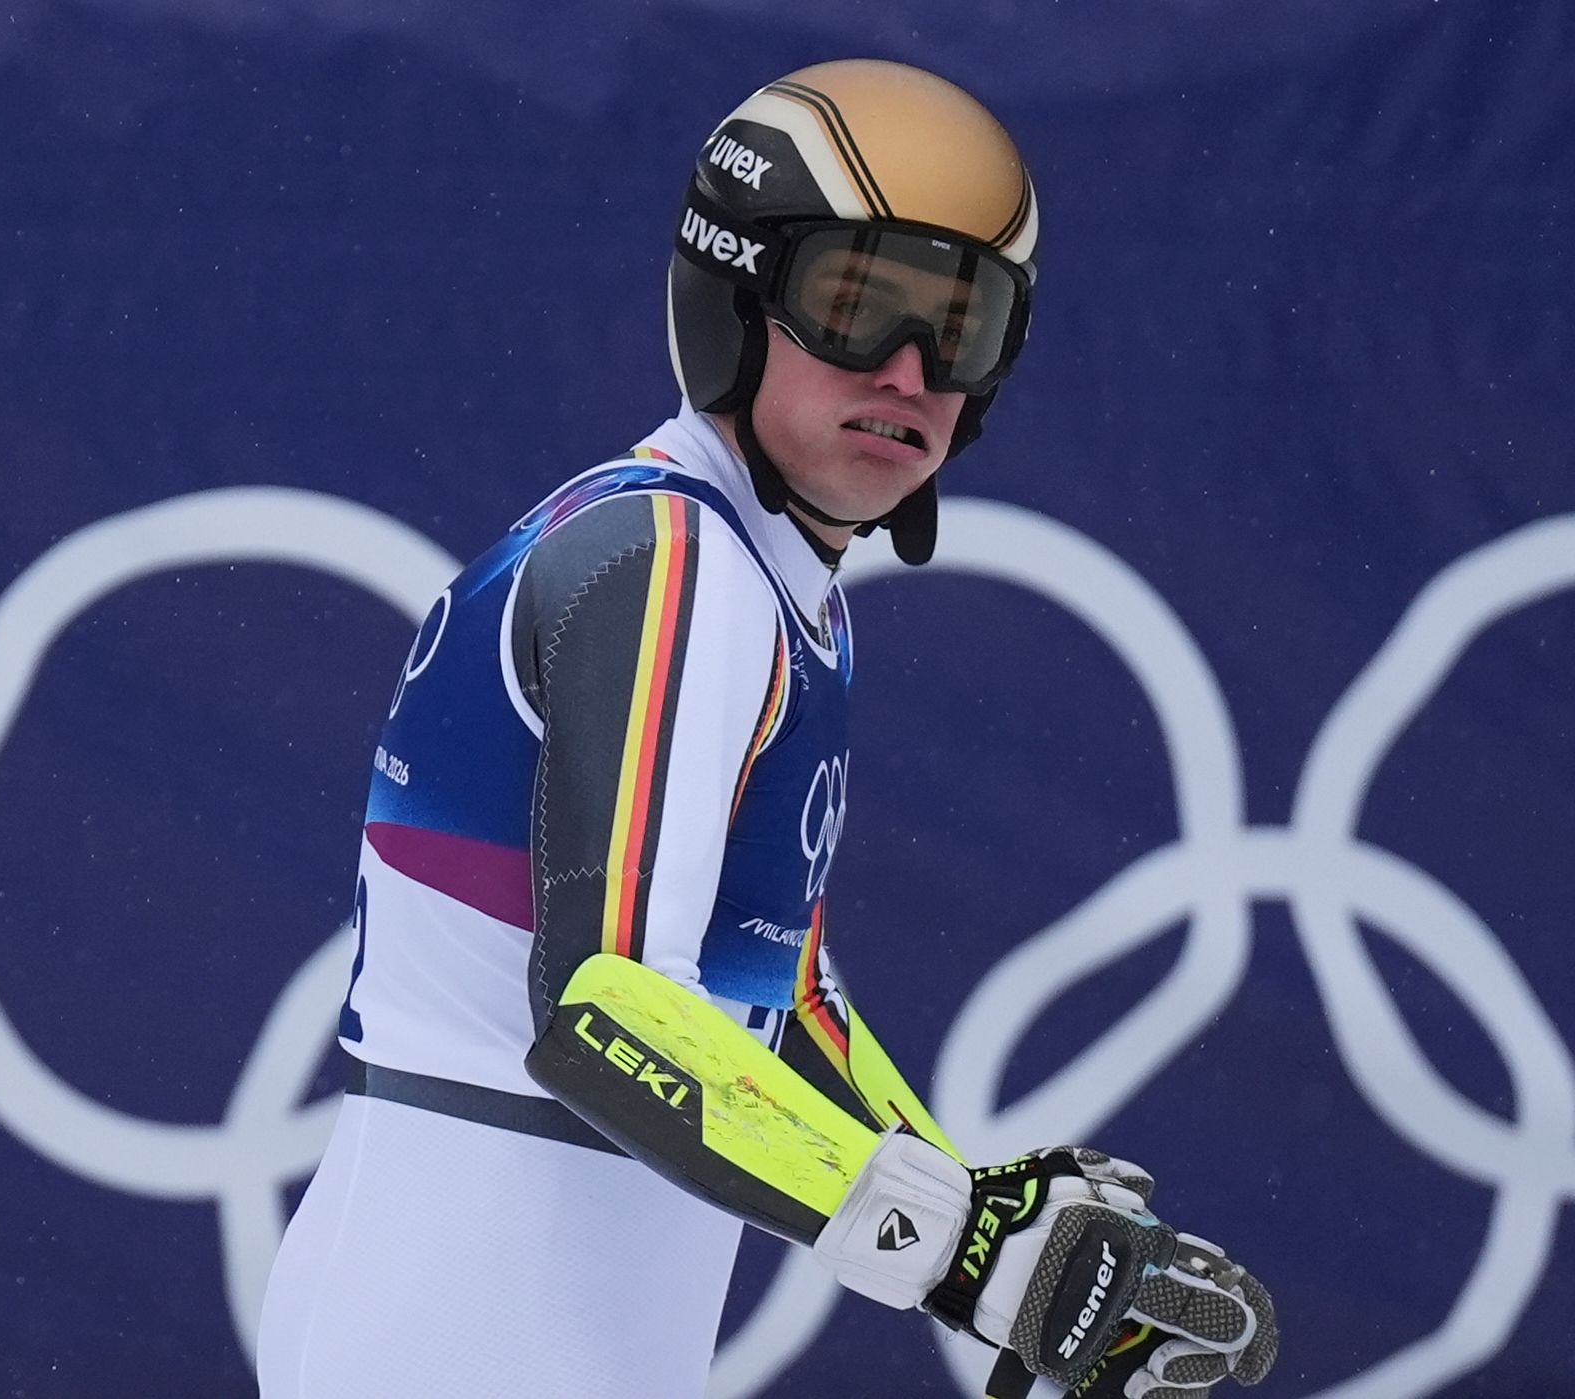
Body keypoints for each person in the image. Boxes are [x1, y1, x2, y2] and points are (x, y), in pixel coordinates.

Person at [256, 58, 1278, 1399]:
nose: (908, 373)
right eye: (855, 307)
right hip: (472, 1320)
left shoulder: (759, 579)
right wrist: (968, 1252)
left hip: (526, 1307)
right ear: (735, 301)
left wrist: (987, 1230)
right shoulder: (676, 570)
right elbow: (603, 1007)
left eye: (958, 329)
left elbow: (769, 1000)